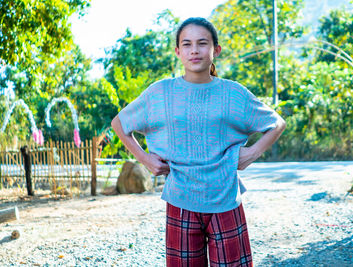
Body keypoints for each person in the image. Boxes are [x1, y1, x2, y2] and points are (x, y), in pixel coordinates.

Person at [111, 17, 286, 267]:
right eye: (187, 44)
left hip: (226, 199)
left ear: (216, 50)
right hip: (180, 200)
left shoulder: (233, 93)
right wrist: (145, 159)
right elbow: (120, 123)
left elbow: (276, 123)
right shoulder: (161, 93)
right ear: (178, 52)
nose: (195, 50)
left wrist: (252, 153)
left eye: (202, 43)